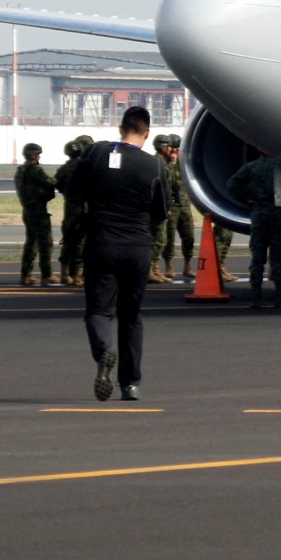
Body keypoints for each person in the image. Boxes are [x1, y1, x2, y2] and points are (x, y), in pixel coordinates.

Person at [64, 107, 170, 401]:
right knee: (131, 316)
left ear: (120, 127)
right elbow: (160, 213)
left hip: (102, 242)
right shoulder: (155, 166)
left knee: (99, 310)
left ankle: (103, 352)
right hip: (137, 246)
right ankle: (130, 383)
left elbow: (72, 190)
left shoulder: (97, 153)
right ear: (146, 134)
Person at [226, 149, 281, 309]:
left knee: (257, 258)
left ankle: (256, 298)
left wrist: (246, 199)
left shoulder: (251, 167)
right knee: (278, 258)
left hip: (259, 213)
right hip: (279, 213)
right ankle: (280, 297)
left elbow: (232, 184)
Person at [154, 134, 196, 281]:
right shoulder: (163, 163)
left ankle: (188, 266)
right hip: (171, 204)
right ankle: (168, 265)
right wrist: (172, 162)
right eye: (175, 147)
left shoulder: (181, 162)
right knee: (169, 238)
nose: (177, 150)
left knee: (189, 236)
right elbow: (168, 180)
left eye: (179, 148)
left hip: (183, 204)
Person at [13, 143, 56, 286]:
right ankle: (47, 275)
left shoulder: (20, 170)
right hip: (38, 211)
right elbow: (50, 182)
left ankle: (26, 274)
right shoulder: (35, 171)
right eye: (38, 154)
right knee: (45, 243)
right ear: (33, 156)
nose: (39, 157)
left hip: (28, 210)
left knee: (31, 243)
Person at [55, 135, 95, 286]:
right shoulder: (85, 167)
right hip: (83, 209)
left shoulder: (64, 168)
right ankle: (78, 275)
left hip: (69, 208)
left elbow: (57, 183)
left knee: (68, 240)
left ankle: (65, 273)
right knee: (81, 242)